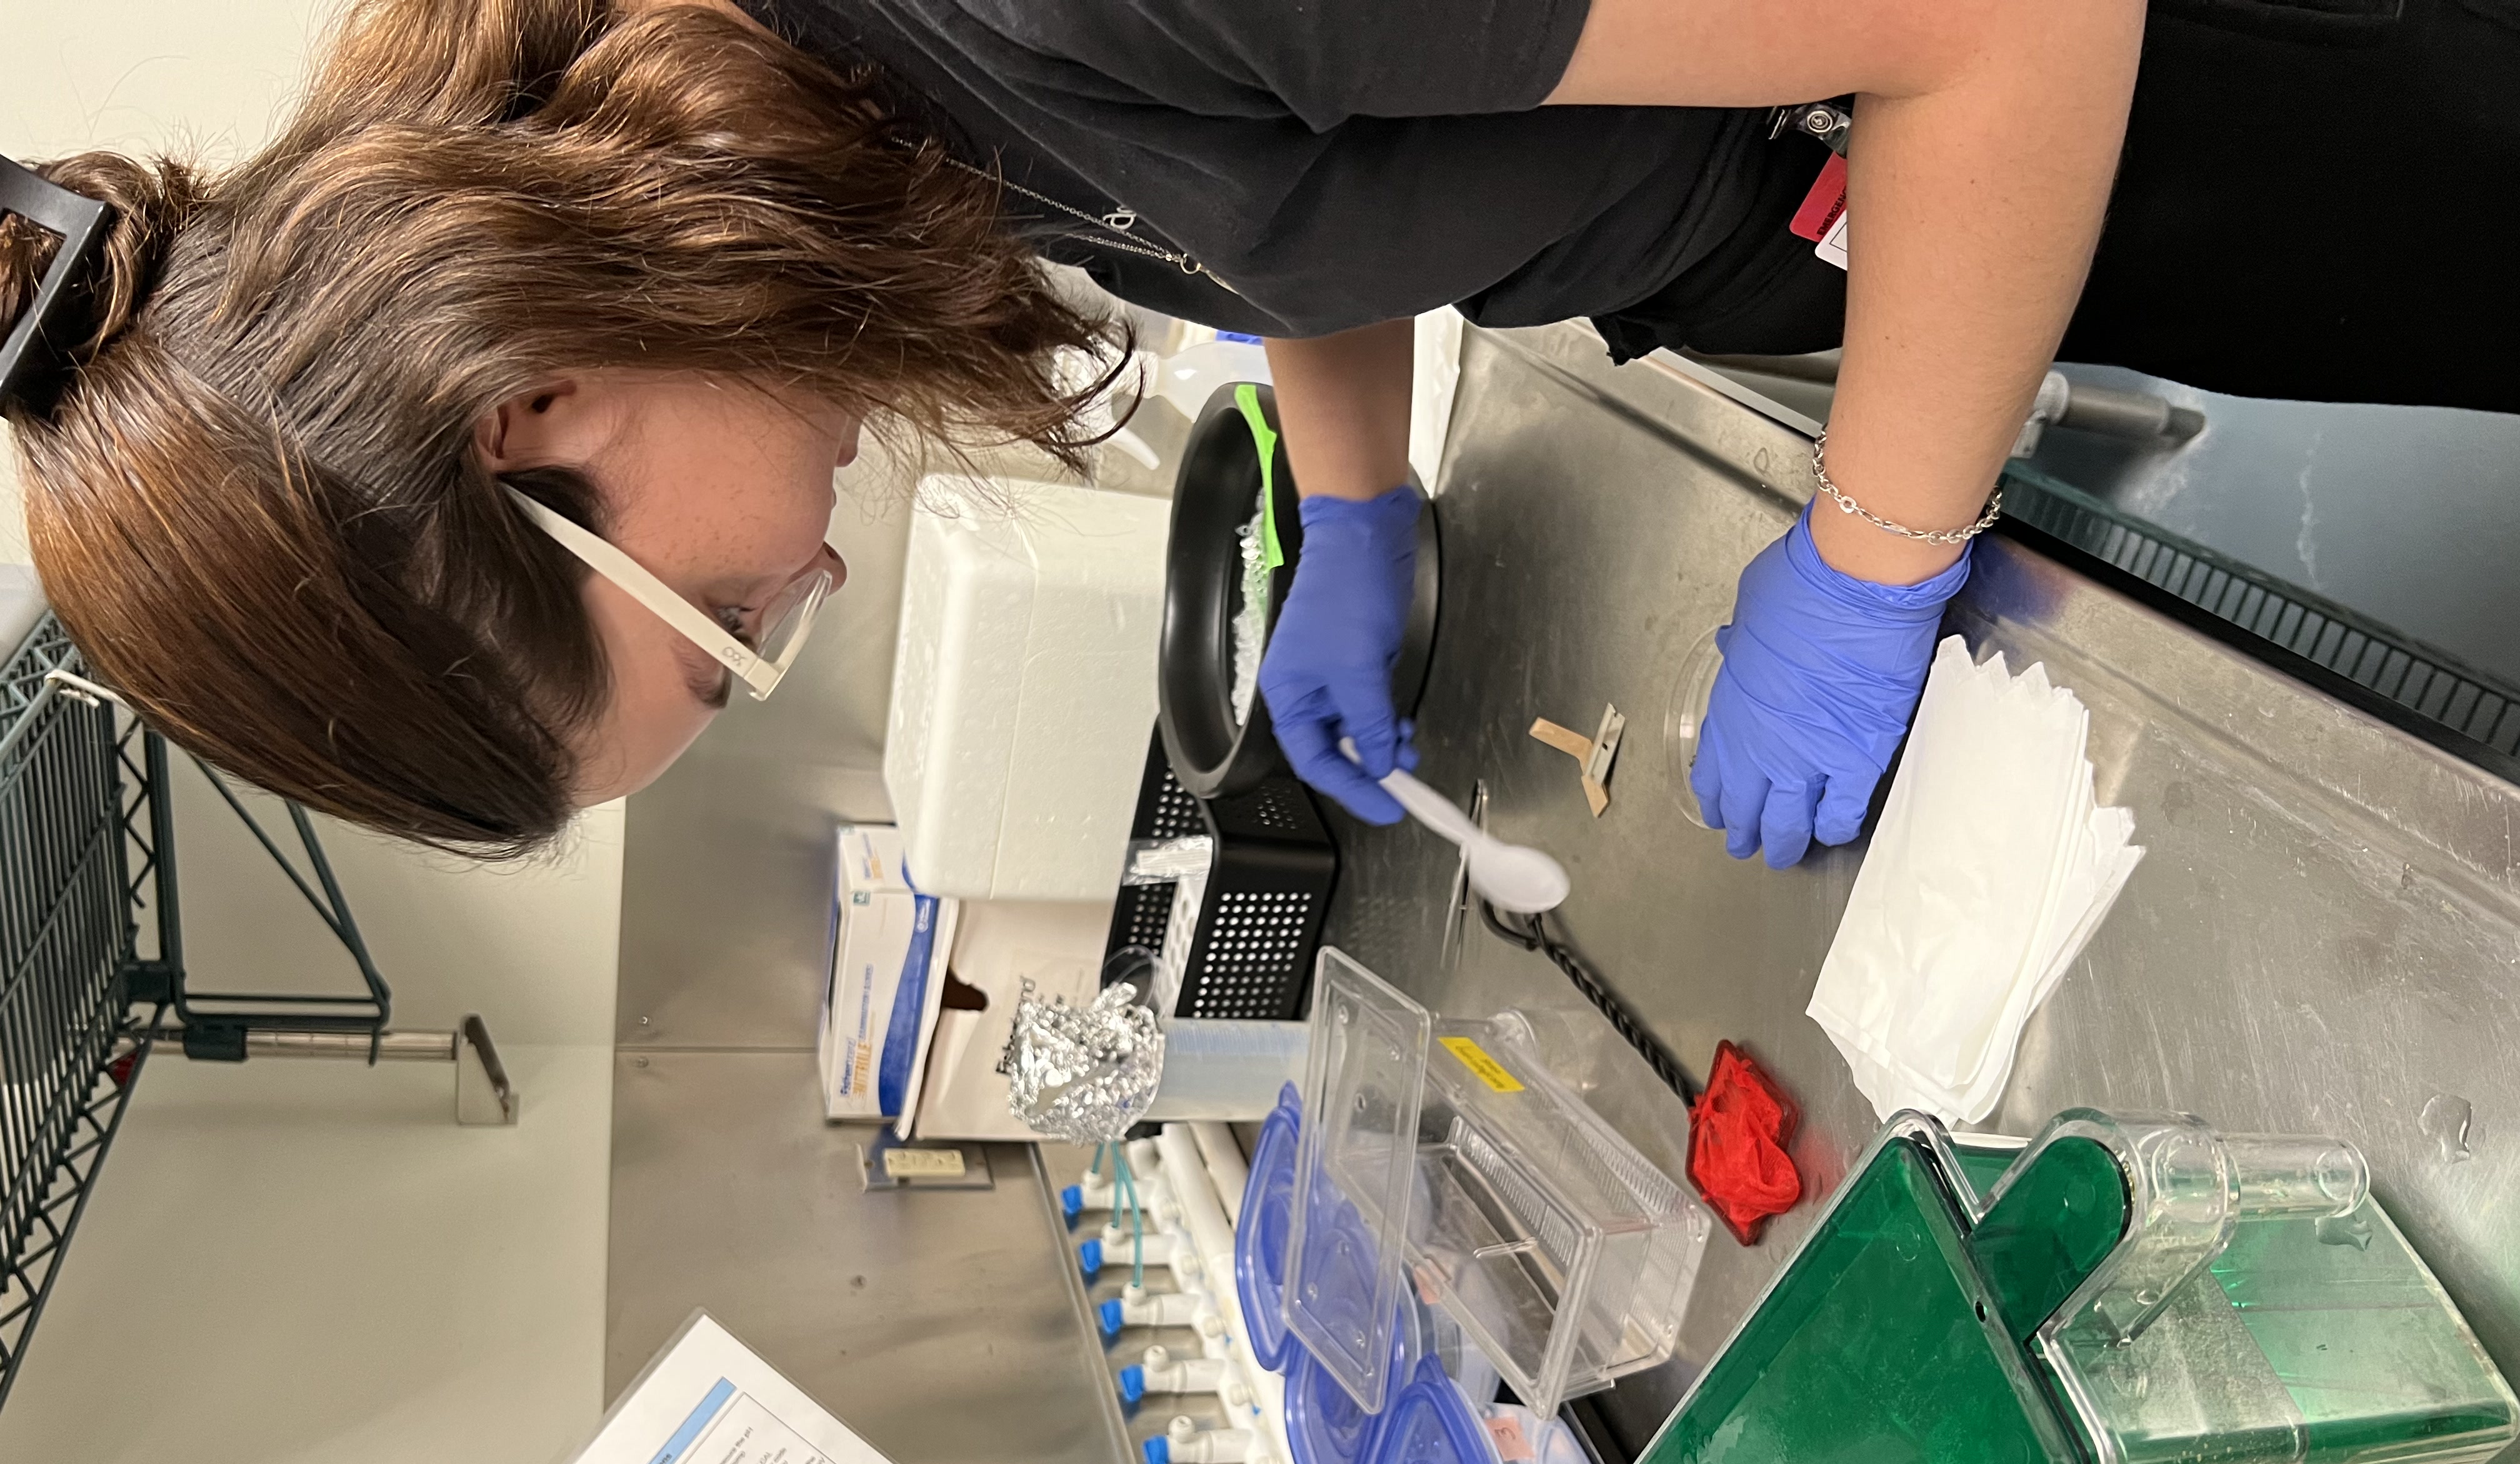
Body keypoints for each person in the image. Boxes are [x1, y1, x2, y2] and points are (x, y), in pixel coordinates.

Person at [4, 0, 2512, 865]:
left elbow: (2011, 25)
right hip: (1860, 203)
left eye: (719, 645)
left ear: (529, 405)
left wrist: (1872, 562)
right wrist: (1358, 490)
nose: (814, 606)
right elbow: (1272, 162)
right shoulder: (766, 130)